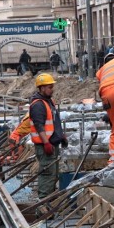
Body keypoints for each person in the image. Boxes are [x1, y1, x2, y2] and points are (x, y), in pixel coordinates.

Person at [29, 73, 68, 201]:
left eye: (52, 86)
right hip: (46, 146)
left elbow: (53, 122)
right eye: (49, 87)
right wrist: (46, 143)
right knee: (47, 176)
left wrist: (61, 136)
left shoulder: (49, 102)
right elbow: (39, 126)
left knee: (53, 176)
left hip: (52, 144)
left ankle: (48, 205)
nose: (52, 89)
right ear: (41, 88)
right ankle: (43, 207)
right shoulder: (38, 104)